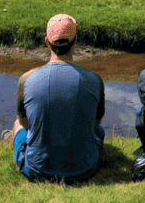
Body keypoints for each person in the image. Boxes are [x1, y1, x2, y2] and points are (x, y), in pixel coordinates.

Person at [9, 13, 106, 183]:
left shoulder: (26, 79)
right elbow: (96, 123)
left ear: (47, 42)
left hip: (36, 170)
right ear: (75, 41)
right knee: (99, 131)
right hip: (85, 169)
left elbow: (24, 123)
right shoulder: (94, 79)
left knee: (18, 125)